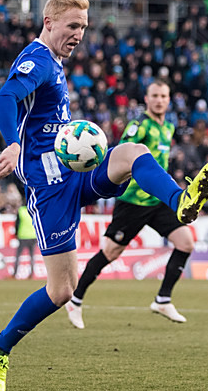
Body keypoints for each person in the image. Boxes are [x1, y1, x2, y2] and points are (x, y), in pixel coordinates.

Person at [0, 0, 208, 391]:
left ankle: (180, 201)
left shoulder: (54, 61)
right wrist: (13, 144)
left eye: (84, 27)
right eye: (73, 26)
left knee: (132, 153)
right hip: (49, 189)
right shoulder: (37, 59)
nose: (79, 34)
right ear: (49, 22)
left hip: (75, 171)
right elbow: (4, 97)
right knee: (62, 290)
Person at [65, 80, 194, 329]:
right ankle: (75, 299)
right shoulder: (139, 125)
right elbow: (124, 152)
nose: (159, 100)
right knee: (111, 252)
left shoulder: (168, 127)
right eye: (155, 95)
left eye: (163, 96)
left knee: (185, 243)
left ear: (169, 100)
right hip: (133, 201)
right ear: (146, 99)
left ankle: (163, 299)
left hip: (157, 201)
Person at [11, 204, 37, 279]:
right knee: (32, 256)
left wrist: (16, 233)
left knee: (18, 255)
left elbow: (17, 223)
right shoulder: (34, 210)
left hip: (23, 235)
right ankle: (31, 274)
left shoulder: (21, 210)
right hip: (33, 235)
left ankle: (15, 274)